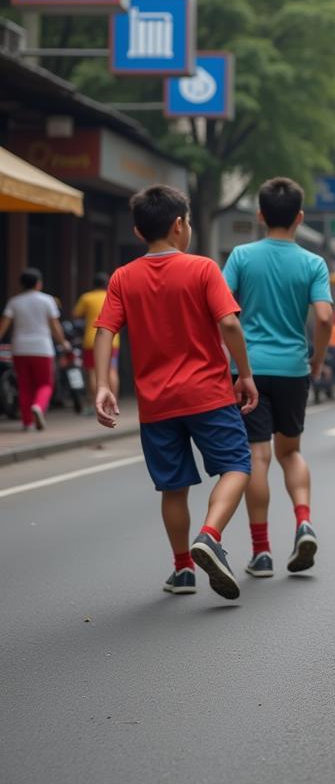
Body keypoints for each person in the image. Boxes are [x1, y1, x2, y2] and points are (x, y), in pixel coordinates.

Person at [92, 185, 257, 599]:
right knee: (237, 464)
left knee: (173, 486)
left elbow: (104, 331)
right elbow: (231, 324)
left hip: (156, 403)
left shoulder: (123, 277)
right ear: (179, 225)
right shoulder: (202, 269)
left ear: (137, 230)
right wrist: (245, 374)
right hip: (208, 395)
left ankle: (183, 569)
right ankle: (210, 534)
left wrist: (101, 386)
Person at [222, 177, 333, 578]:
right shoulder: (312, 263)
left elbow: (224, 313)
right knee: (290, 452)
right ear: (300, 217)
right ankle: (303, 520)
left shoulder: (240, 256)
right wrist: (316, 360)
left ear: (260, 215)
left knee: (257, 456)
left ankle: (262, 552)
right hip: (292, 368)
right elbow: (323, 317)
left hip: (248, 370)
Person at [0, 268, 70, 431]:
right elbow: (55, 326)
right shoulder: (47, 300)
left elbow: (3, 327)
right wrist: (63, 342)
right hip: (42, 348)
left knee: (24, 386)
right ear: (39, 283)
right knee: (45, 383)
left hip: (19, 349)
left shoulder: (14, 302)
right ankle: (38, 406)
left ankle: (27, 422)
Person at [73, 272, 120, 402]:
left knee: (93, 372)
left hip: (90, 340)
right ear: (107, 284)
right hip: (112, 339)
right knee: (112, 370)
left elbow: (76, 315)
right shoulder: (112, 296)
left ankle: (96, 402)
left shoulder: (87, 297)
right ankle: (113, 399)